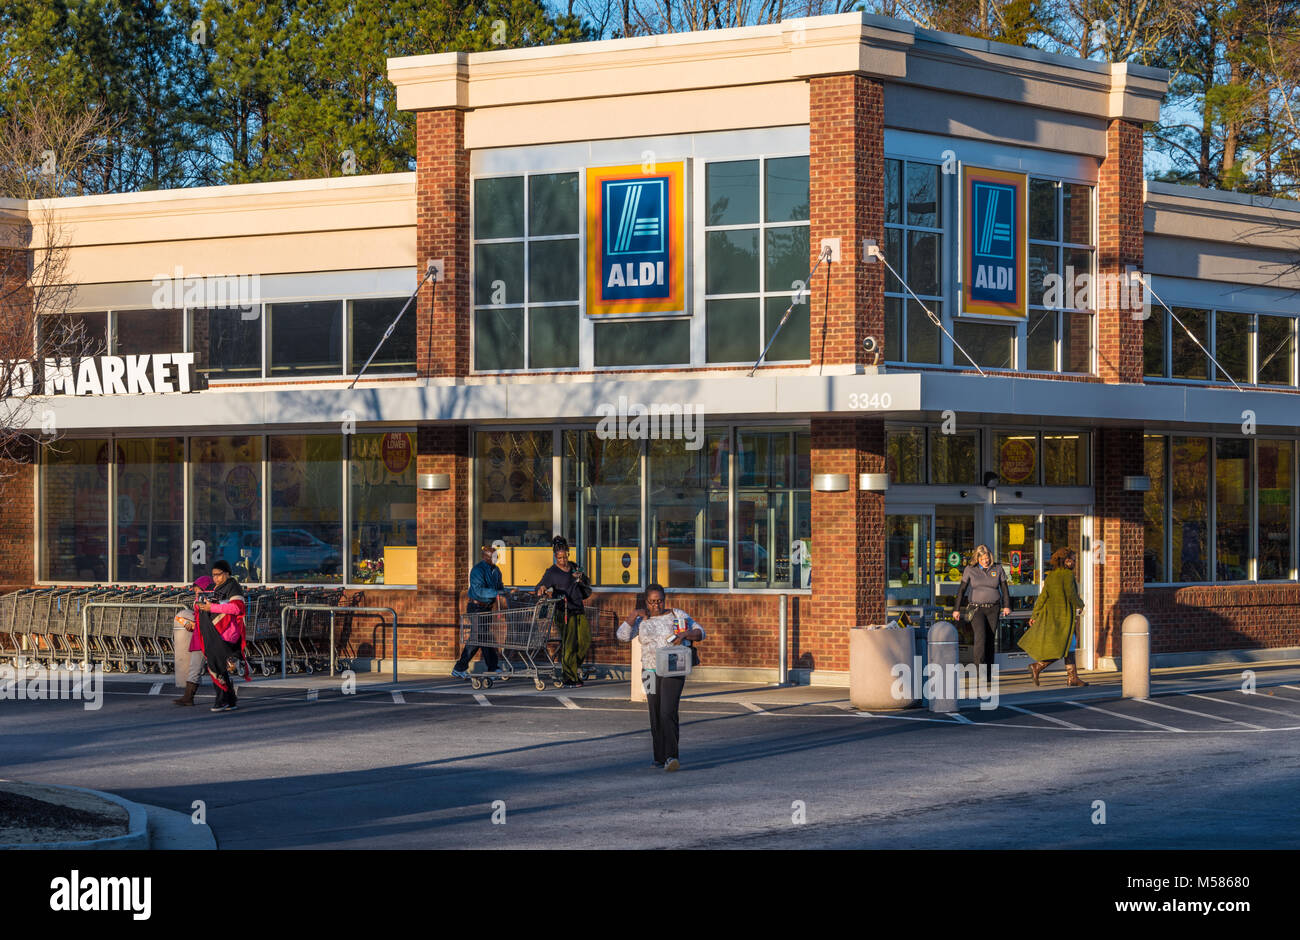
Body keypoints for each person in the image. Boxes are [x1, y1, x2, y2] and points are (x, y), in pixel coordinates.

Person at [616, 584, 705, 772]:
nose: (656, 605)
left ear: (664, 599)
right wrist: (633, 616)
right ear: (646, 602)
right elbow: (622, 636)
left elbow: (700, 632)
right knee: (655, 714)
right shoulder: (641, 621)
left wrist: (685, 634)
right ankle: (659, 756)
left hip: (673, 669)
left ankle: (671, 756)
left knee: (667, 712)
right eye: (652, 601)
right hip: (648, 672)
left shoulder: (677, 615)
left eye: (660, 600)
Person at [1020, 547, 1087, 687]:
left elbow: (1043, 597)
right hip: (1063, 617)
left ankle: (1072, 678)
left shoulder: (1051, 575)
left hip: (1052, 617)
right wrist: (1081, 605)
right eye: (1073, 560)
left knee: (1069, 647)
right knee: (1067, 645)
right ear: (1067, 561)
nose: (1075, 563)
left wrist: (1035, 614)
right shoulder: (1067, 575)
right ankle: (1038, 666)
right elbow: (1071, 594)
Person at [536, 535, 592, 688]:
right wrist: (542, 589)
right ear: (555, 557)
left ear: (568, 553)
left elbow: (587, 582)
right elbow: (539, 587)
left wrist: (580, 577)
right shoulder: (552, 572)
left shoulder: (573, 566)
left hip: (578, 608)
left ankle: (573, 666)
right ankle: (569, 677)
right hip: (563, 611)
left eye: (565, 556)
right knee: (569, 644)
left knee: (585, 641)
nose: (563, 560)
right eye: (559, 558)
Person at [196, 560, 249, 713]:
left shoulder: (233, 586)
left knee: (216, 665)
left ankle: (222, 700)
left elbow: (237, 608)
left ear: (227, 573)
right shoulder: (216, 587)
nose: (215, 578)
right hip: (213, 632)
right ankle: (230, 699)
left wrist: (211, 606)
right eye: (213, 575)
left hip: (225, 632)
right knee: (218, 665)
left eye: (218, 575)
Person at [953, 544, 1011, 682]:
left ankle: (989, 674)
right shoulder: (970, 569)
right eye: (983, 558)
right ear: (977, 558)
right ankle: (980, 672)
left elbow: (1005, 589)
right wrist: (956, 609)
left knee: (990, 640)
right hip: (976, 609)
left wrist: (1007, 606)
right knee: (981, 638)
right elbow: (961, 589)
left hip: (993, 608)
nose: (986, 561)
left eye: (987, 558)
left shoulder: (997, 568)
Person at [452, 545, 505, 679]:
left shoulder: (496, 571)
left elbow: (500, 587)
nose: (495, 559)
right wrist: (497, 593)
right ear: (484, 557)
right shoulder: (477, 570)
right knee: (478, 637)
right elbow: (478, 590)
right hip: (476, 607)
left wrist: (507, 591)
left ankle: (493, 668)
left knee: (484, 637)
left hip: (487, 607)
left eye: (496, 556)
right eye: (491, 557)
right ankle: (460, 667)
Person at [172, 575, 214, 706]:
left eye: (198, 589)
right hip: (199, 638)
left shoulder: (210, 602)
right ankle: (188, 697)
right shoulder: (198, 601)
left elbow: (208, 620)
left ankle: (227, 695)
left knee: (216, 669)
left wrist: (195, 625)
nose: (196, 592)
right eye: (195, 590)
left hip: (208, 638)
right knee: (194, 667)